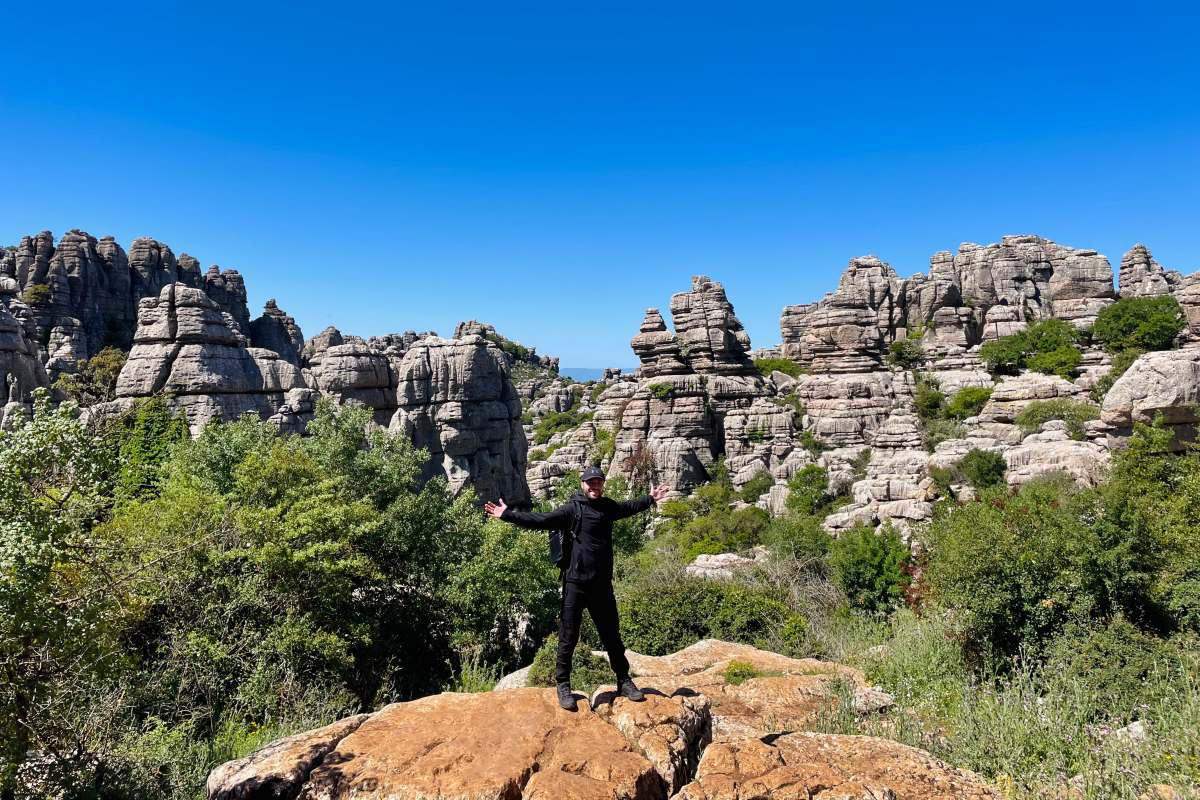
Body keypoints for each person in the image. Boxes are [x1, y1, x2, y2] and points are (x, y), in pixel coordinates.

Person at [485, 466, 670, 711]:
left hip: (602, 586)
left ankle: (623, 681)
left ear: (603, 484)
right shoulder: (573, 510)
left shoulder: (607, 507)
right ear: (582, 484)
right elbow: (541, 520)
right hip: (575, 584)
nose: (594, 486)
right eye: (590, 483)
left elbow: (628, 507)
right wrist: (507, 514)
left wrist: (650, 499)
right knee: (568, 637)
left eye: (598, 482)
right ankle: (563, 685)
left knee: (612, 636)